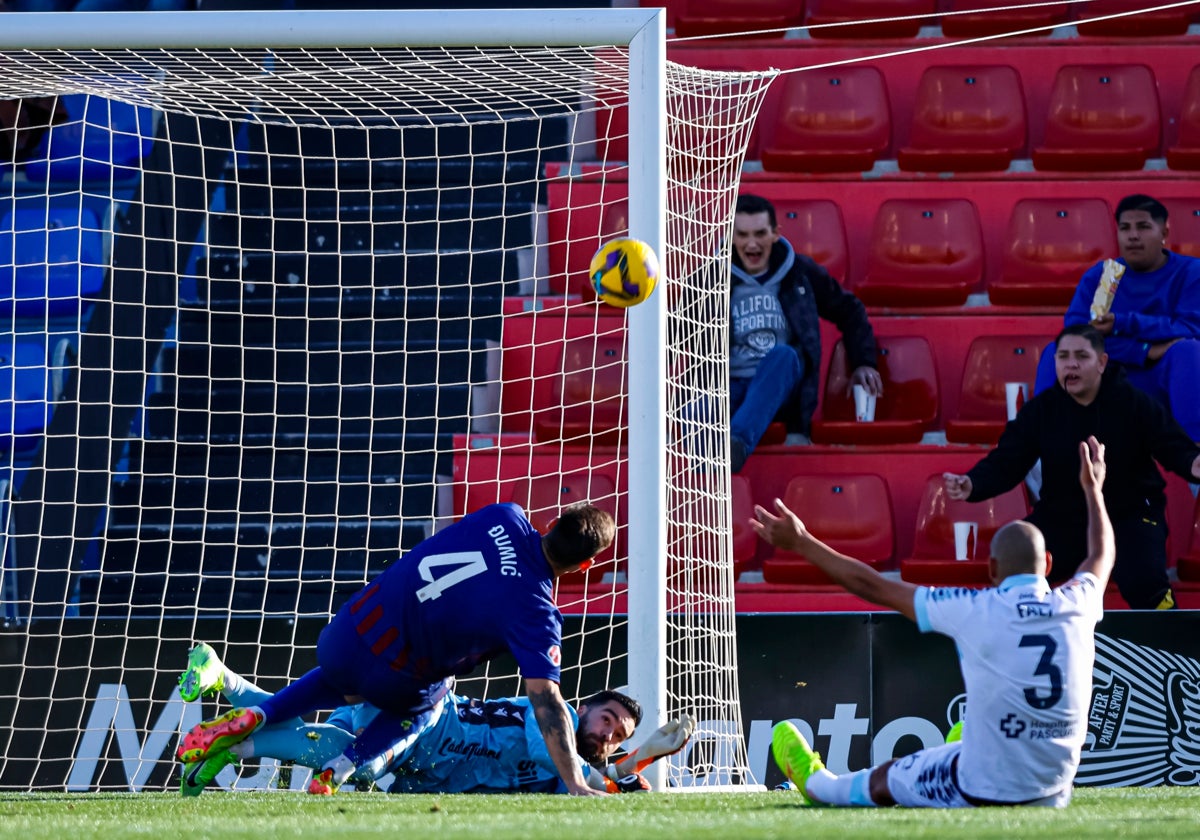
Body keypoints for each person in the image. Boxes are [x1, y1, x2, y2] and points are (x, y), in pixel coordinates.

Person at [754, 434, 1114, 808]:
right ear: (1050, 565)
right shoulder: (1079, 603)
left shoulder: (978, 608)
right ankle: (963, 744)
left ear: (991, 570)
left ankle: (817, 784)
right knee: (956, 750)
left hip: (979, 787)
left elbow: (872, 586)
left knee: (882, 781)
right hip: (1053, 792)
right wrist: (1094, 490)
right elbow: (1101, 554)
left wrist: (802, 542)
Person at [177, 501, 616, 797]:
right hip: (400, 676)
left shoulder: (505, 513)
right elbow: (546, 699)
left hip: (350, 626)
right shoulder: (536, 613)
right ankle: (339, 767)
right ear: (584, 566)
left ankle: (257, 711)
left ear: (554, 520)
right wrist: (577, 781)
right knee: (421, 707)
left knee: (338, 685)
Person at [176, 643, 694, 796]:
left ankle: (225, 682)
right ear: (581, 707)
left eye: (616, 735)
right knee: (356, 760)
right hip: (429, 720)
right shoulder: (550, 721)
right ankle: (239, 746)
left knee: (333, 740)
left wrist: (628, 772)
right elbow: (576, 779)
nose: (607, 734)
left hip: (428, 764)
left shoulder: (572, 768)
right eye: (607, 719)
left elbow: (580, 792)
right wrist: (637, 761)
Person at [945, 324, 1200, 610]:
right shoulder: (1041, 411)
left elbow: (1172, 445)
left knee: (1143, 578)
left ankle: (1169, 641)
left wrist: (1194, 463)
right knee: (1016, 556)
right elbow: (1007, 461)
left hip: (1131, 516)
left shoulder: (1134, 403)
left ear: (1102, 363)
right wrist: (973, 483)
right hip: (1062, 517)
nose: (1072, 364)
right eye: (1063, 357)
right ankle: (1018, 633)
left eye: (1081, 356)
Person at [727, 194, 881, 472]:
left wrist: (863, 361)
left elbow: (850, 310)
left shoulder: (800, 273)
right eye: (743, 234)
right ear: (731, 236)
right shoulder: (710, 278)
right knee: (697, 404)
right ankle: (708, 467)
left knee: (784, 356)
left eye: (760, 233)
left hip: (780, 388)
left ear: (775, 234)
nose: (752, 243)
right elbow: (679, 334)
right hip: (728, 387)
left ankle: (734, 445)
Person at [1033, 194, 1200, 441]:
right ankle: (1044, 448)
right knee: (1056, 351)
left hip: (1162, 380)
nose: (1133, 236)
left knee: (1189, 351)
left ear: (1164, 231)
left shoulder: (1191, 272)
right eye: (1125, 228)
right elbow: (1074, 334)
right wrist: (1144, 351)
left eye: (1143, 227)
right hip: (1104, 378)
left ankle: (1195, 457)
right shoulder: (1102, 275)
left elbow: (1189, 328)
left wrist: (1123, 323)